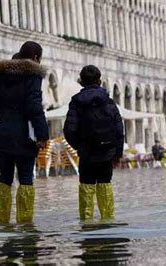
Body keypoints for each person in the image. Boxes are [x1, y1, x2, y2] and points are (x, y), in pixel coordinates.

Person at [0, 41, 49, 224]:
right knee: (26, 177)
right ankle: (25, 222)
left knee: (5, 177)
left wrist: (4, 119)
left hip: (2, 133)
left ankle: (1, 220)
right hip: (24, 136)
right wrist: (42, 134)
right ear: (36, 58)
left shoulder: (2, 74)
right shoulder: (33, 75)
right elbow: (34, 106)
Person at [64, 65, 124, 221]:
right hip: (107, 151)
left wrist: (79, 146)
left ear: (81, 82)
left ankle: (86, 221)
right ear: (100, 81)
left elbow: (69, 130)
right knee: (105, 184)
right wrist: (117, 153)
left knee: (86, 186)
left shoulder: (76, 102)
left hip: (87, 153)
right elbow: (119, 128)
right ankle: (107, 220)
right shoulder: (109, 101)